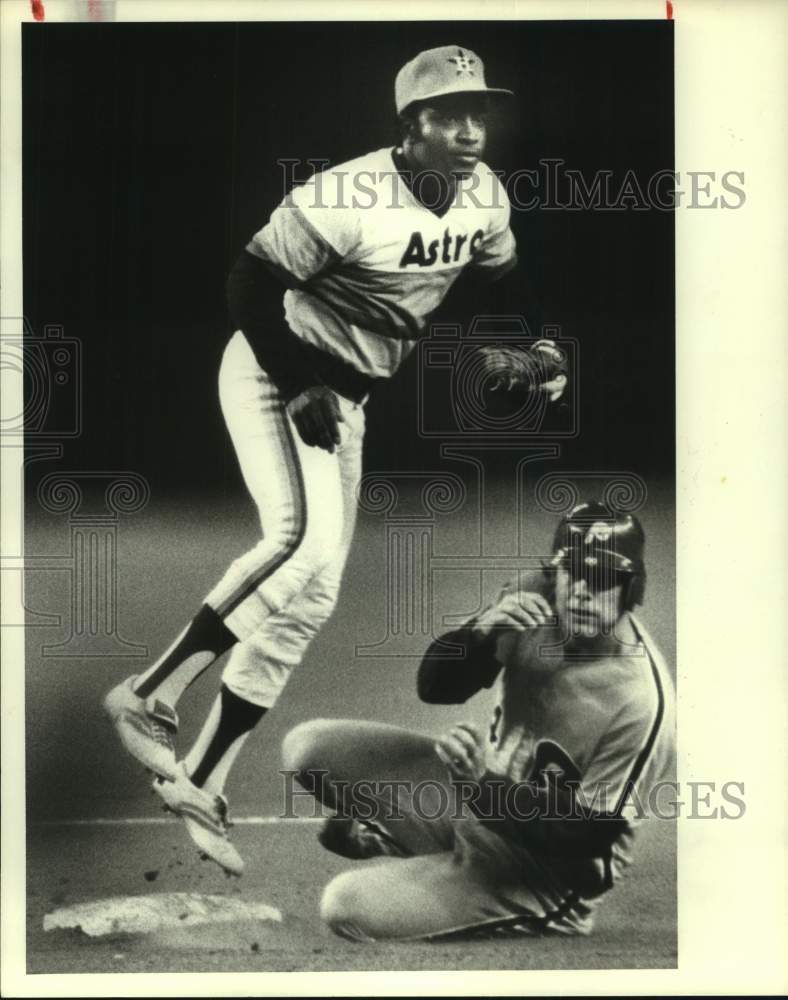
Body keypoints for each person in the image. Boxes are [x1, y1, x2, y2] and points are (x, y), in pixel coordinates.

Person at [103, 45, 565, 874]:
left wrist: (533, 345)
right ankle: (149, 695)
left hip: (347, 395)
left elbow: (506, 280)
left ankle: (201, 778)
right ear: (410, 125)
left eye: (479, 111)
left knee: (312, 597)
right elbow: (248, 282)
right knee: (300, 542)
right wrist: (299, 379)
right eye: (449, 112)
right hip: (276, 373)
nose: (469, 127)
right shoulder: (346, 195)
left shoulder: (485, 196)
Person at [282, 501, 676, 940]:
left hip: (542, 873)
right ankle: (426, 843)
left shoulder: (638, 702)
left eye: (603, 577)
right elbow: (436, 688)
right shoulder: (532, 598)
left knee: (344, 905)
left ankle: (416, 846)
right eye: (574, 573)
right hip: (481, 798)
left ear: (632, 590)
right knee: (307, 748)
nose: (583, 590)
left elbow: (585, 838)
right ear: (554, 574)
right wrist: (478, 635)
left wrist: (481, 788)